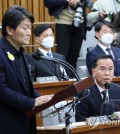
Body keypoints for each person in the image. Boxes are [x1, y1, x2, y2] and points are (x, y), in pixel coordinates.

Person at [0, 5, 53, 134]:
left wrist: (43, 100)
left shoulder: (22, 52)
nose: (29, 32)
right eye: (25, 28)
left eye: (30, 27)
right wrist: (31, 102)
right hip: (7, 123)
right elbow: (1, 89)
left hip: (26, 120)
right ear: (10, 30)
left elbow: (26, 85)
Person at [44, 0, 88, 69]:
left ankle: (72, 78)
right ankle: (61, 78)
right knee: (61, 57)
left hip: (80, 21)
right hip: (62, 22)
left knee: (74, 58)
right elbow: (48, 2)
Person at [75, 55, 120, 122]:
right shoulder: (84, 92)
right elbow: (81, 120)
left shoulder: (118, 90)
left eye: (110, 69)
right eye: (102, 69)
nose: (107, 73)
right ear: (93, 72)